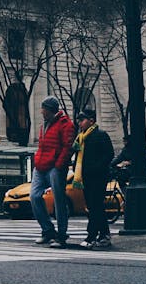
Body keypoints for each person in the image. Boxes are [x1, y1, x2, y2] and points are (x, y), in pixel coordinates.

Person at [30, 95, 75, 248]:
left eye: (43, 109)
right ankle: (48, 230)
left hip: (55, 167)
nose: (41, 111)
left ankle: (61, 235)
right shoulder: (45, 125)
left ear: (49, 110)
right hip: (41, 166)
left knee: (59, 200)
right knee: (34, 196)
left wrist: (58, 165)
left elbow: (67, 147)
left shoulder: (65, 124)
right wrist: (37, 161)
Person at [71, 108, 114, 249]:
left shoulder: (100, 135)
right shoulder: (81, 138)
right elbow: (77, 156)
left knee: (95, 206)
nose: (80, 123)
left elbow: (109, 154)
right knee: (95, 206)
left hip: (98, 177)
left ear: (91, 121)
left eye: (82, 120)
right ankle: (104, 235)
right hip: (86, 177)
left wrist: (97, 167)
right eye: (79, 120)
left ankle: (91, 236)